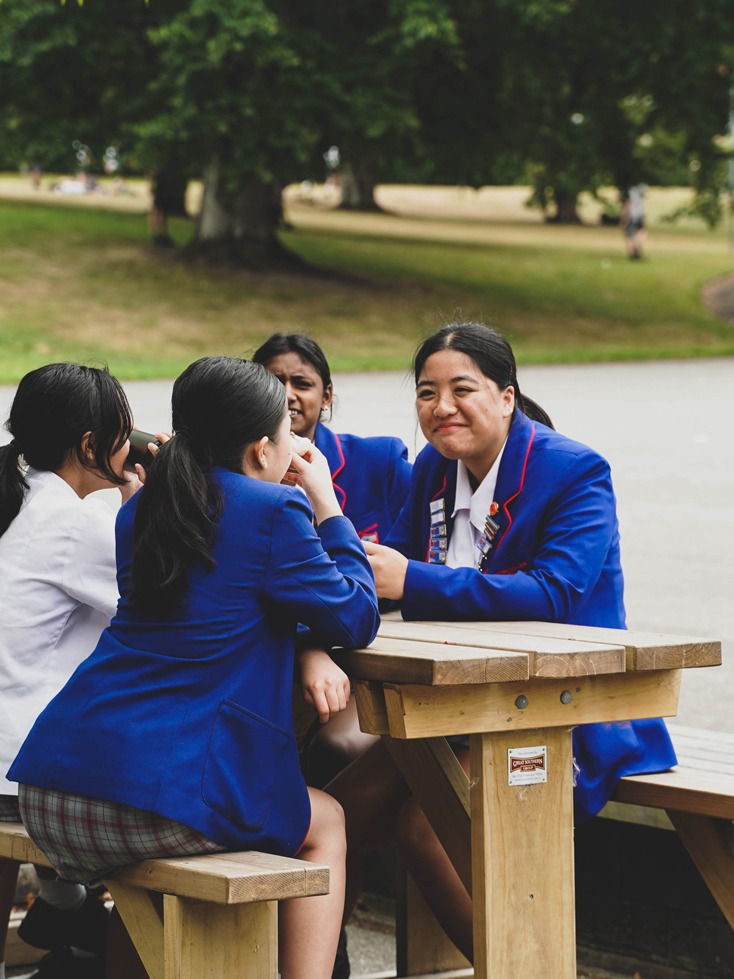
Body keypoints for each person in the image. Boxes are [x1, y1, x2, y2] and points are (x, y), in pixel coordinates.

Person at [8, 356, 380, 979]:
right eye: (287, 434)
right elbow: (354, 615)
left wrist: (302, 642)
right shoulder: (271, 511)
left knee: (154, 880)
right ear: (263, 449)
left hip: (55, 792)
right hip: (149, 798)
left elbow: (217, 607)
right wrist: (327, 505)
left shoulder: (141, 509)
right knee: (329, 822)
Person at [326, 321, 677, 962]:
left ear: (507, 397)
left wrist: (410, 578)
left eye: (463, 389)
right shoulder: (434, 467)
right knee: (336, 817)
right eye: (427, 393)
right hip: (459, 710)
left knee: (428, 827)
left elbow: (554, 595)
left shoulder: (575, 470)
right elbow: (392, 573)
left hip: (567, 707)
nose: (442, 407)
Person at [0, 363, 145, 979]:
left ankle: (69, 912)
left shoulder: (23, 496)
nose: (135, 440)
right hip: (18, 772)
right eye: (125, 431)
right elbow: (164, 610)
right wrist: (142, 506)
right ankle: (86, 928)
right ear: (90, 446)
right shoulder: (76, 524)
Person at [252, 333, 413, 788]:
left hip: (381, 651)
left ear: (327, 395)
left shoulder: (378, 462)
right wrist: (308, 645)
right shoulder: (244, 476)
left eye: (301, 382)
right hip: (293, 658)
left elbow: (422, 554)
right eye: (272, 381)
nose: (287, 394)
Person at [621, 183, 646, 260]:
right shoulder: (639, 191)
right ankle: (636, 250)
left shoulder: (629, 193)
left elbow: (628, 206)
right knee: (640, 233)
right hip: (640, 216)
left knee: (629, 236)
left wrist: (625, 219)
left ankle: (633, 254)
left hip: (632, 217)